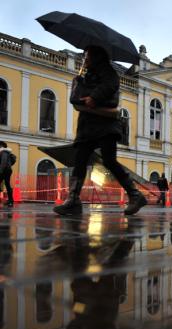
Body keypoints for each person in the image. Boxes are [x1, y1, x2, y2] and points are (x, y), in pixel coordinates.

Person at [53, 45, 146, 216]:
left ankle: (135, 195)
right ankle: (73, 200)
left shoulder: (108, 72)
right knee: (79, 161)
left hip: (106, 125)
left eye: (87, 55)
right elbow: (78, 100)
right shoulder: (86, 75)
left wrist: (93, 97)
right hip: (87, 125)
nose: (84, 58)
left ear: (97, 56)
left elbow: (109, 86)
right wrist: (78, 84)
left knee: (109, 160)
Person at [0, 141, 14, 207]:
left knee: (7, 185)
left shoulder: (4, 152)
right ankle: (10, 201)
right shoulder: (6, 152)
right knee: (7, 185)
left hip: (5, 170)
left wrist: (0, 171)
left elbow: (3, 162)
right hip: (7, 170)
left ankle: (10, 201)